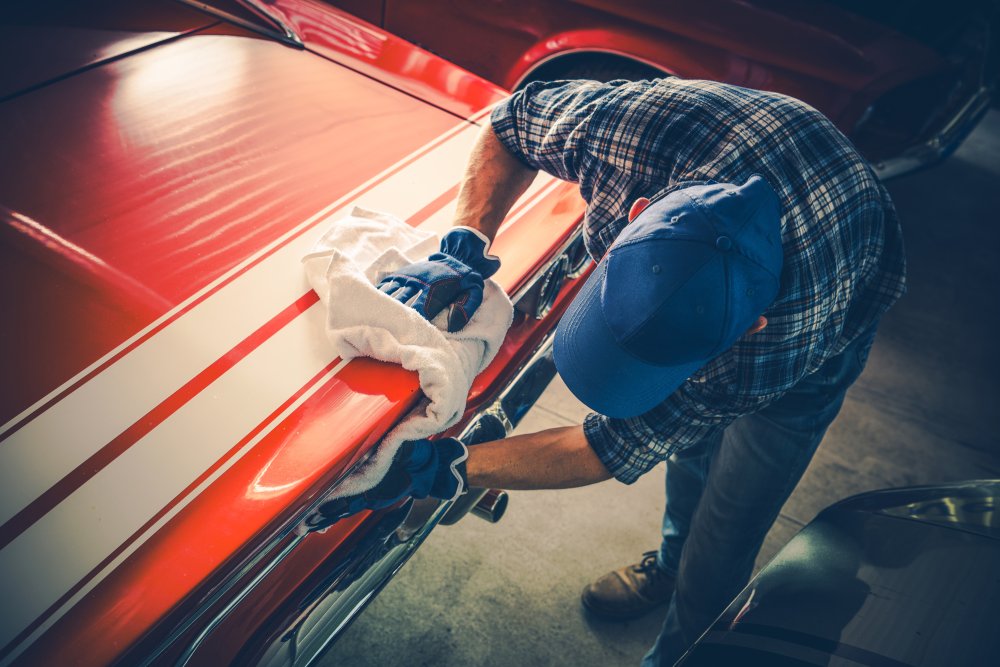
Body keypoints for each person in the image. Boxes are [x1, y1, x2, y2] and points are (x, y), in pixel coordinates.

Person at [323, 77, 906, 665]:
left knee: (729, 527)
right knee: (690, 456)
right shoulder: (634, 130)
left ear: (745, 329)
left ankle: (684, 644)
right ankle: (669, 564)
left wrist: (449, 467)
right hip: (752, 146)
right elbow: (508, 125)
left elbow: (614, 443)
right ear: (638, 211)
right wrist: (463, 244)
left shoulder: (776, 343)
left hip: (840, 294)